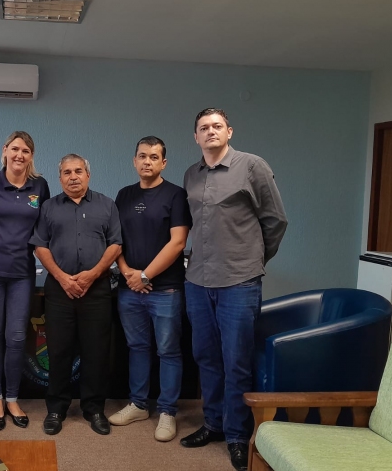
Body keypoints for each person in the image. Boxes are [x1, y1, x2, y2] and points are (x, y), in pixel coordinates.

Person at [180, 108, 287, 471]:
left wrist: (252, 260)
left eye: (216, 126)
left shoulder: (252, 166)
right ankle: (213, 424)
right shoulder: (191, 174)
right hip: (197, 280)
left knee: (236, 360)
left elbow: (275, 220)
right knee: (206, 358)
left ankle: (238, 435)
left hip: (238, 283)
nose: (210, 132)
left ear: (229, 131)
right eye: (203, 128)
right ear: (195, 137)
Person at [29, 154, 122, 436]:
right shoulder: (48, 207)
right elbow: (40, 246)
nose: (73, 177)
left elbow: (116, 245)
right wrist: (62, 278)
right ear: (60, 178)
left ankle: (94, 409)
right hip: (59, 289)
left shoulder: (107, 205)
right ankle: (56, 408)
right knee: (58, 350)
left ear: (88, 175)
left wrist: (92, 274)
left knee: (96, 352)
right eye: (67, 172)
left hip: (97, 290)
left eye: (78, 171)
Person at [109, 136, 189, 442]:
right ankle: (139, 404)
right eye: (142, 156)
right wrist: (129, 273)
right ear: (134, 160)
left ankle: (168, 411)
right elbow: (114, 239)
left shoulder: (176, 195)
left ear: (163, 163)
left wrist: (145, 275)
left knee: (168, 350)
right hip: (130, 288)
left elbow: (178, 242)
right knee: (137, 347)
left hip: (165, 289)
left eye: (154, 157)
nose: (147, 162)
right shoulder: (124, 195)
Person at [0, 131, 50, 431]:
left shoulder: (39, 186)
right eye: (15, 149)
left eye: (26, 151)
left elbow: (45, 228)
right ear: (4, 150)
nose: (20, 155)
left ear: (31, 156)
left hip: (22, 273)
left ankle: (13, 398)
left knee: (17, 337)